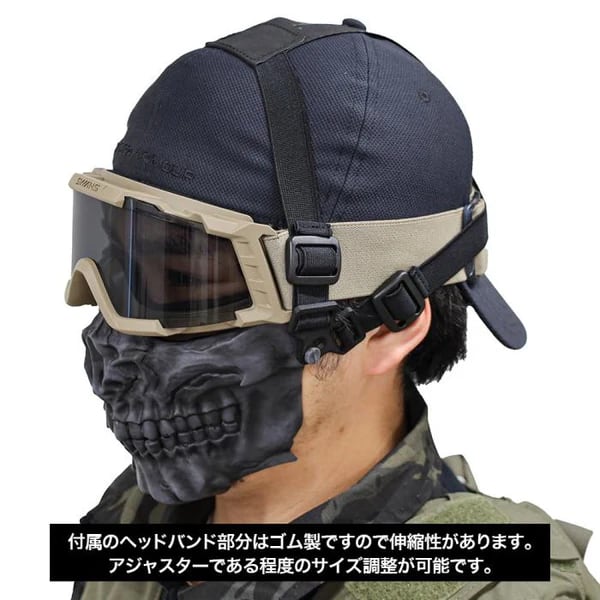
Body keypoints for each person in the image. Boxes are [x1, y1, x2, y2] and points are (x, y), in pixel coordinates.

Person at [64, 17, 600, 600]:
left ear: (389, 327)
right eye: (118, 269)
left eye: (185, 284)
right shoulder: (133, 524)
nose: (111, 359)